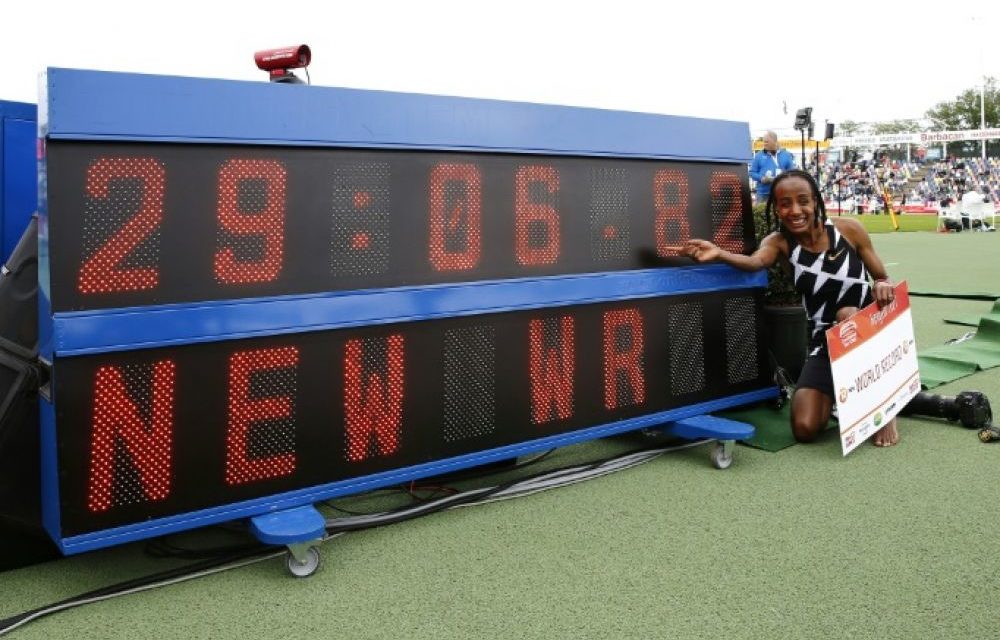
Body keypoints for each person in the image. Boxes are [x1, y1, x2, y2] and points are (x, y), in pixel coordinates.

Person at [682, 169, 900, 447]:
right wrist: (719, 253)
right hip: (825, 341)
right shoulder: (780, 243)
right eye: (785, 204)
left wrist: (883, 284)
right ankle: (843, 389)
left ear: (816, 202)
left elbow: (881, 276)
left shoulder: (849, 230)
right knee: (805, 428)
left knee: (847, 315)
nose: (795, 210)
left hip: (868, 333)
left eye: (803, 201)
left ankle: (887, 404)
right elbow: (755, 262)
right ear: (776, 207)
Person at [749, 131, 797, 204]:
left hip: (782, 191)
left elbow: (792, 173)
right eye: (764, 142)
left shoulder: (786, 155)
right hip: (763, 193)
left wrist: (784, 177)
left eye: (767, 142)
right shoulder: (759, 155)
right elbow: (752, 173)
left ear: (774, 141)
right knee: (763, 214)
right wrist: (761, 178)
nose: (764, 144)